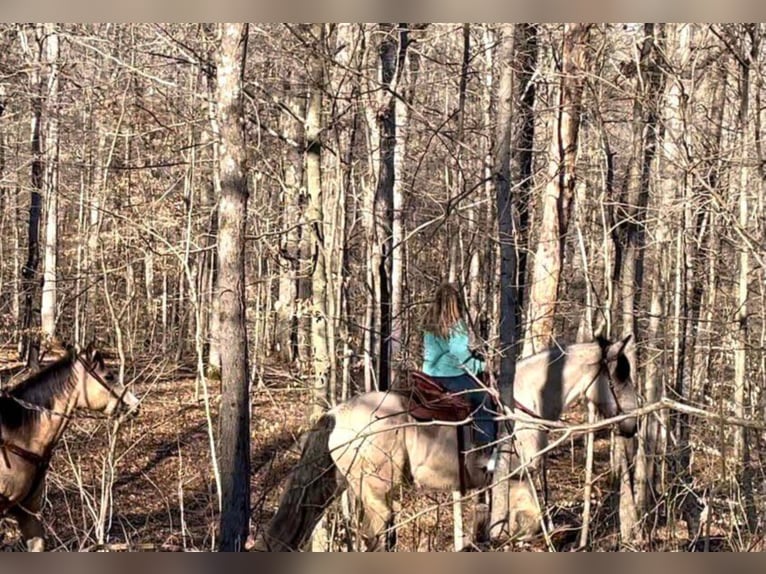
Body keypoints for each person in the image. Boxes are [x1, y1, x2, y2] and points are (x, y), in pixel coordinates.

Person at [421, 282, 497, 470]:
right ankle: (486, 452)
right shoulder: (456, 325)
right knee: (483, 399)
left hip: (429, 375)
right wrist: (483, 365)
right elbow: (459, 355)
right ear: (456, 303)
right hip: (451, 376)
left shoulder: (429, 323)